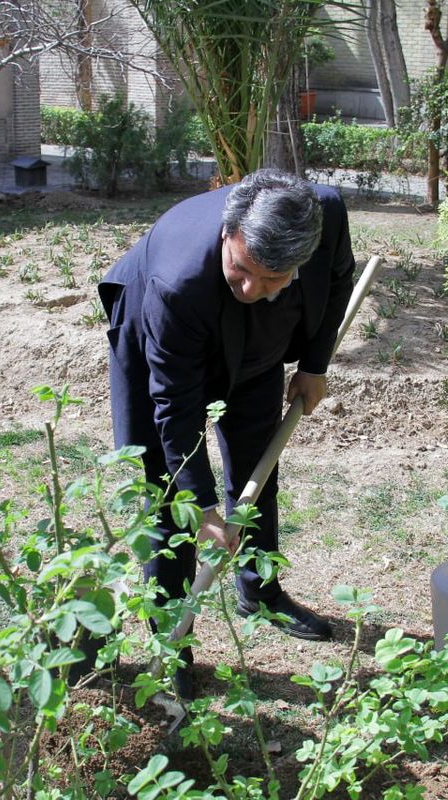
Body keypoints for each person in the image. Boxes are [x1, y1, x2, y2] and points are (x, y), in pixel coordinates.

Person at [98, 169, 355, 697]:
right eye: (241, 269)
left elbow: (337, 281)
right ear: (226, 234)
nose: (249, 288)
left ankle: (258, 592)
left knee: (258, 463)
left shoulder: (323, 215)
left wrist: (314, 364)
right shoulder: (178, 281)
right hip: (159, 337)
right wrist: (205, 508)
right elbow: (175, 405)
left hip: (259, 344)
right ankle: (172, 645)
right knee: (167, 499)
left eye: (271, 279)